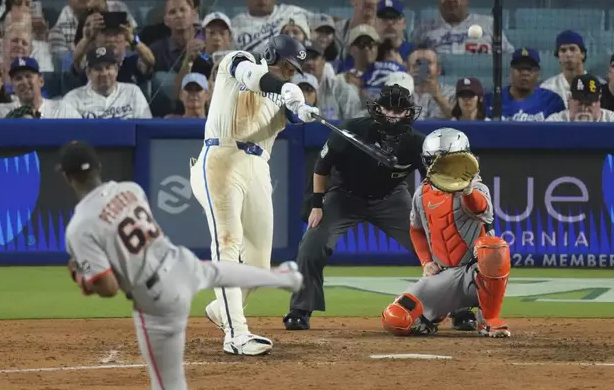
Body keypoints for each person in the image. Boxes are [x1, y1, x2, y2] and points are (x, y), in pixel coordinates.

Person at [60, 140, 304, 390]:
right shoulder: (130, 190)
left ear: (68, 177)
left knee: (168, 383)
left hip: (157, 296)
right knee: (221, 271)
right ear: (99, 166)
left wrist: (83, 278)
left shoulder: (80, 226)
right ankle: (282, 277)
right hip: (180, 262)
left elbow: (108, 287)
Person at [189, 34, 319, 356]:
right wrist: (286, 89)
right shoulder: (237, 61)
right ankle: (236, 334)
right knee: (228, 241)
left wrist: (300, 110)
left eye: (294, 70)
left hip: (258, 166)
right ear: (273, 55)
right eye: (287, 65)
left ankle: (223, 310)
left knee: (260, 264)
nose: (290, 73)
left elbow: (290, 114)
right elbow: (254, 77)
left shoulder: (285, 95)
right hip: (221, 157)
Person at [283, 84, 426, 331]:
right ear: (378, 108)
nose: (393, 114)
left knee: (435, 246)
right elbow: (321, 168)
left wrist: (429, 215)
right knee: (312, 245)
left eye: (399, 109)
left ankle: (458, 309)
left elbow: (430, 181)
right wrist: (317, 205)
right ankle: (300, 309)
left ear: (408, 112)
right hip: (344, 196)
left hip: (392, 199)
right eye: (388, 107)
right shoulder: (351, 130)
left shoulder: (416, 142)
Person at [380, 128, 511, 338]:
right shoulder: (422, 193)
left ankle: (489, 319)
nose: (436, 166)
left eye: (442, 161)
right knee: (396, 319)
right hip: (445, 276)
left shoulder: (476, 188)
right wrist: (425, 262)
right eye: (432, 161)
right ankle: (436, 314)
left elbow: (481, 210)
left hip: (474, 273)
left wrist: (466, 188)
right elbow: (416, 230)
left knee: (494, 248)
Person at [63, 47, 152, 119]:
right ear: (88, 73)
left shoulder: (133, 92)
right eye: (98, 69)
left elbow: (146, 129)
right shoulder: (72, 99)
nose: (104, 73)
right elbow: (67, 135)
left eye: (108, 67)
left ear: (116, 70)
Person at [485, 47, 565, 121]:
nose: (524, 73)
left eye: (530, 69)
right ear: (511, 71)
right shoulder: (492, 100)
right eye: (519, 68)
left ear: (538, 73)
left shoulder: (551, 101)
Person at [0, 57, 82, 118]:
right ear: (12, 86)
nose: (24, 82)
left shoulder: (62, 109)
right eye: (18, 78)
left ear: (41, 81)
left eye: (28, 76)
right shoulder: (3, 111)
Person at [545, 73, 614, 122]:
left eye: (588, 103)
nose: (584, 109)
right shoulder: (555, 122)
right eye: (580, 104)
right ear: (569, 99)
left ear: (599, 99)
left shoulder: (611, 120)